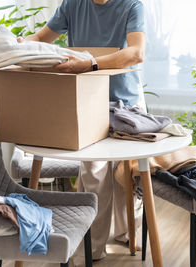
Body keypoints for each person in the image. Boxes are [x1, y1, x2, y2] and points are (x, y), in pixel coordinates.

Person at [18, 0, 146, 260]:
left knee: (126, 173)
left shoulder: (132, 5)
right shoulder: (73, 4)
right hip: (89, 100)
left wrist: (91, 64)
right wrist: (19, 45)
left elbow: (136, 52)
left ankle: (127, 233)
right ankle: (91, 249)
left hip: (126, 100)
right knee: (94, 172)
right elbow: (43, 37)